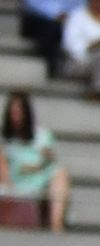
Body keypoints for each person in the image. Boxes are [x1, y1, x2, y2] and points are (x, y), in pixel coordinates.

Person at [2, 92, 70, 232]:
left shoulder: (41, 135)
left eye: (19, 112)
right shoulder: (5, 140)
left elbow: (50, 160)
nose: (16, 116)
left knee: (60, 173)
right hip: (13, 179)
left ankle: (56, 224)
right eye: (13, 112)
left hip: (37, 176)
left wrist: (35, 167)